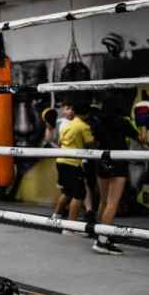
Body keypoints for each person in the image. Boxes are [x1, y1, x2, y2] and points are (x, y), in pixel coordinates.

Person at [90, 94, 144, 255]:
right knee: (112, 203)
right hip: (118, 163)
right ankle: (102, 240)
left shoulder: (98, 122)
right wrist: (144, 125)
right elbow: (142, 139)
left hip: (102, 161)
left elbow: (94, 142)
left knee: (103, 201)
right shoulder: (123, 122)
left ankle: (100, 234)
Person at [54, 99, 95, 232]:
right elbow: (91, 144)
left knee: (67, 192)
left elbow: (59, 142)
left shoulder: (67, 124)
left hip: (61, 161)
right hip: (72, 163)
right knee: (79, 194)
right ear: (87, 113)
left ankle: (56, 217)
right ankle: (70, 227)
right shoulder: (83, 126)